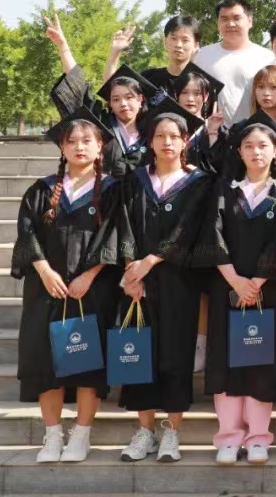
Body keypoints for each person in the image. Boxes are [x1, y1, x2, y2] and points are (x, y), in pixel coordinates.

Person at [12, 107, 120, 464]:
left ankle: (81, 435)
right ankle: (53, 435)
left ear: (100, 146)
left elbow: (115, 235)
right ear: (62, 147)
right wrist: (44, 271)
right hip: (46, 289)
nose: (79, 147)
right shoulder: (41, 190)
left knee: (89, 361)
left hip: (94, 289)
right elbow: (27, 232)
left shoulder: (113, 191)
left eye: (87, 140)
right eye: (71, 141)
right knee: (44, 361)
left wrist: (89, 275)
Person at [194, 114, 276, 465]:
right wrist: (235, 280)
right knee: (226, 359)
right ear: (238, 151)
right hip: (227, 288)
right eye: (249, 146)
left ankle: (258, 438)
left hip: (269, 291)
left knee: (260, 360)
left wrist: (257, 281)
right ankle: (228, 437)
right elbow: (213, 233)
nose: (256, 152)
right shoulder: (225, 189)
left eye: (263, 146)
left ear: (275, 151)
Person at [117, 112, 214, 463]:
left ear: (185, 141)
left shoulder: (199, 182)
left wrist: (152, 260)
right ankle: (145, 431)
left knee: (176, 354)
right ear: (150, 141)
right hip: (138, 282)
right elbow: (124, 225)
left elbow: (188, 228)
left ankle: (171, 431)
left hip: (179, 280)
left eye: (174, 136)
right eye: (160, 136)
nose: (167, 142)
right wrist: (131, 273)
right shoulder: (135, 180)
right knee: (139, 353)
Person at [44, 14, 159, 177]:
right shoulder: (101, 125)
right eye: (116, 99)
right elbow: (78, 88)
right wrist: (63, 47)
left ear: (140, 99)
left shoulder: (153, 129)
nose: (123, 103)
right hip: (104, 191)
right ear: (109, 102)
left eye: (129, 98)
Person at [193, 0, 276, 126]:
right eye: (224, 19)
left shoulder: (268, 58)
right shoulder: (202, 56)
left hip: (255, 131)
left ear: (250, 21)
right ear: (218, 23)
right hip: (213, 132)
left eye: (237, 18)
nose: (230, 24)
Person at [104, 15, 202, 95]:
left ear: (196, 45)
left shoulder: (202, 82)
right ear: (165, 41)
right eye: (173, 38)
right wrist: (115, 52)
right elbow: (113, 91)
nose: (178, 45)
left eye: (185, 40)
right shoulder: (148, 78)